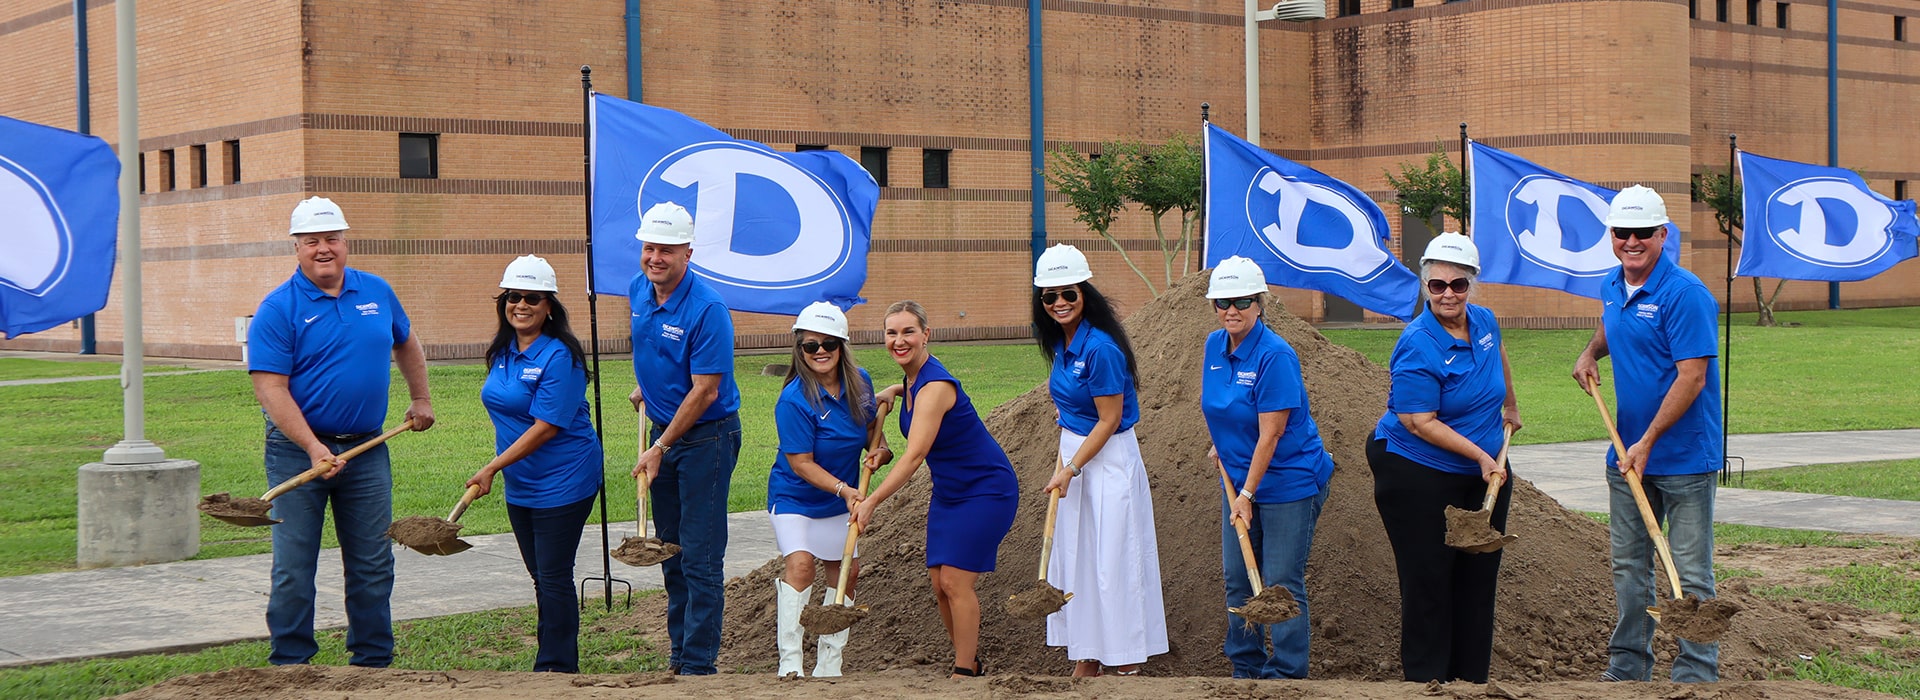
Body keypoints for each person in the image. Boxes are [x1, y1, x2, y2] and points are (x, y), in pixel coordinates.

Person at [247, 195, 435, 667]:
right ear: (296, 247)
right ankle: (291, 665)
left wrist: (421, 399)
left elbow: (406, 342)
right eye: (312, 241)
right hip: (297, 453)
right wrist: (313, 447)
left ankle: (372, 662)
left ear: (345, 242)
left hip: (367, 449)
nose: (323, 249)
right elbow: (270, 388)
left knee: (373, 562)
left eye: (331, 238)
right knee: (294, 565)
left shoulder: (376, 291)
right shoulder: (278, 308)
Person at [1572, 185, 1723, 683]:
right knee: (1630, 567)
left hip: (1683, 459)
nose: (1631, 241)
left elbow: (1692, 377)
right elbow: (1613, 324)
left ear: (1663, 234)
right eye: (1622, 232)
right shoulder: (1612, 285)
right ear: (1611, 235)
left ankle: (1695, 676)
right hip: (1627, 454)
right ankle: (1628, 669)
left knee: (1690, 572)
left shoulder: (1685, 294)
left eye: (1642, 232)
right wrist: (1590, 352)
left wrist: (1649, 440)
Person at [1366, 233, 1521, 683]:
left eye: (1458, 284)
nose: (1448, 294)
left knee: (1478, 577)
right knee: (1430, 578)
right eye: (1437, 285)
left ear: (1472, 284)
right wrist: (1481, 456)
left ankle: (1470, 683)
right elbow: (1418, 421)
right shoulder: (1417, 343)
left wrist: (1511, 405)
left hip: (1482, 472)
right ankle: (1428, 682)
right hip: (1417, 472)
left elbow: (1498, 352)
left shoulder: (1484, 321)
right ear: (1425, 286)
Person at [852, 300, 1019, 679]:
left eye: (908, 332)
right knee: (939, 584)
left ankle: (963, 672)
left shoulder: (935, 387)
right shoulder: (914, 380)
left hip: (986, 488)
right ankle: (969, 660)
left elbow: (914, 456)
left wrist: (873, 500)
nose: (899, 341)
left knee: (955, 581)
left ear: (926, 334)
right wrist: (893, 390)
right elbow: (913, 388)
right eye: (891, 333)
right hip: (950, 492)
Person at [1029, 244, 1168, 677]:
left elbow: (1109, 420)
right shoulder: (1062, 342)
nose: (1059, 303)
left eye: (1068, 293)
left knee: (1113, 558)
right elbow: (1075, 404)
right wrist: (1067, 434)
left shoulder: (1101, 348)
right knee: (1079, 558)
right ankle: (1087, 653)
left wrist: (1072, 468)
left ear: (1084, 293)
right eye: (1049, 296)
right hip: (1076, 454)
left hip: (1107, 462)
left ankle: (1125, 659)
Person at [463, 255, 603, 673]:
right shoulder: (504, 351)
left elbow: (546, 427)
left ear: (549, 307)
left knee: (554, 575)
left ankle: (556, 669)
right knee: (541, 575)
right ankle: (551, 660)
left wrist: (492, 467)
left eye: (532, 298)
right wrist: (502, 468)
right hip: (521, 480)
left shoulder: (561, 358)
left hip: (565, 478)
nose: (520, 305)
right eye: (513, 296)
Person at [1198, 256, 1335, 680]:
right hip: (1240, 479)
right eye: (1222, 302)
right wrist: (1224, 444)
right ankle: (1247, 669)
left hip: (1290, 480)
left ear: (1259, 303)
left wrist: (1246, 495)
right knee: (1238, 578)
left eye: (1242, 301)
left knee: (1280, 582)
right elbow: (1221, 406)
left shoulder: (1276, 355)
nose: (1231, 310)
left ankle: (1287, 675)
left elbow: (1272, 434)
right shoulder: (1214, 346)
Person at [626, 201, 743, 676]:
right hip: (665, 433)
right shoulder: (639, 290)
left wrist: (660, 447)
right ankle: (678, 656)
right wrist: (648, 386)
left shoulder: (707, 309)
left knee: (699, 556)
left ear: (687, 253)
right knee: (669, 553)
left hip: (705, 440)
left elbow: (706, 390)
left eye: (667, 250)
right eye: (649, 248)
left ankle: (698, 666)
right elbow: (652, 347)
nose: (655, 258)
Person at [767, 301, 893, 678]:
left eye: (829, 343)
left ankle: (829, 664)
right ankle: (791, 663)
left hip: (840, 500)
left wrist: (882, 450)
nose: (820, 351)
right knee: (801, 566)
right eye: (810, 345)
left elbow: (870, 432)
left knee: (847, 573)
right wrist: (844, 490)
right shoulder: (793, 400)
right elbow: (800, 463)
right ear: (800, 349)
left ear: (842, 346)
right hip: (795, 499)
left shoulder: (860, 382)